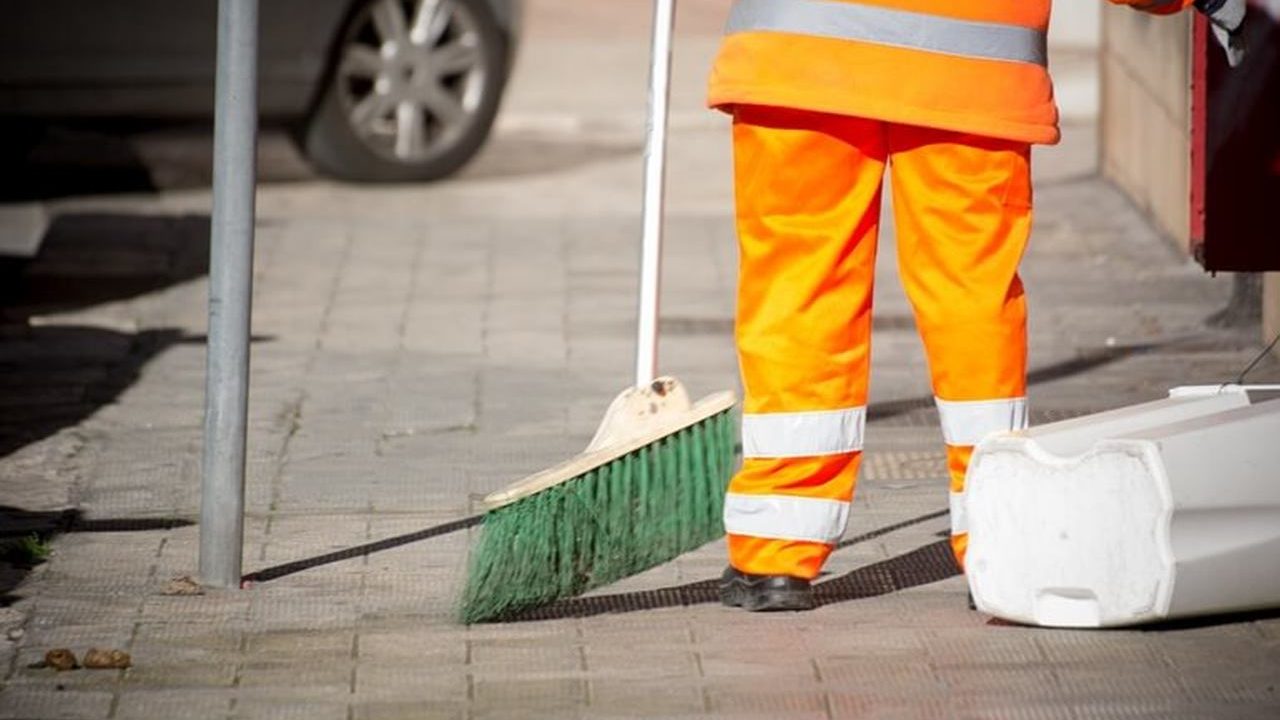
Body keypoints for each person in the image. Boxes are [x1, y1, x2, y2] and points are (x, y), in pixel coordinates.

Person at [711, 0, 1248, 611]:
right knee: (971, 299)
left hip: (798, 60)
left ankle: (777, 550)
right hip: (974, 72)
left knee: (798, 289)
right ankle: (997, 532)